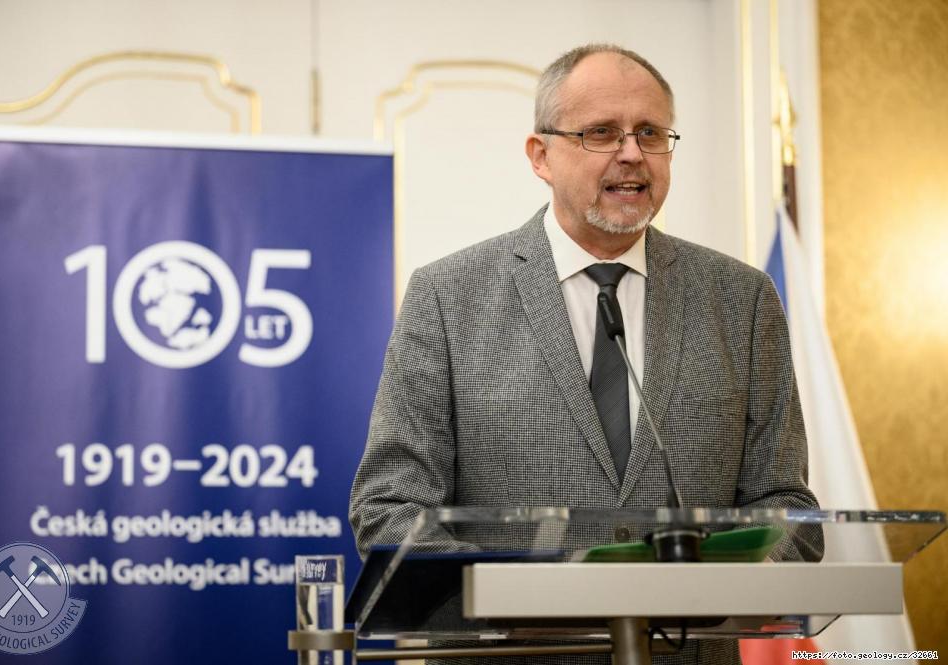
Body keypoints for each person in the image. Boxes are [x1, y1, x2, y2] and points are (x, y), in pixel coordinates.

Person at [349, 44, 818, 664]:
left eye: (650, 133)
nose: (632, 153)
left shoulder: (741, 299)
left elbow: (786, 506)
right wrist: (518, 600)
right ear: (540, 155)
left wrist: (729, 583)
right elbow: (388, 509)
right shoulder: (447, 295)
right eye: (601, 133)